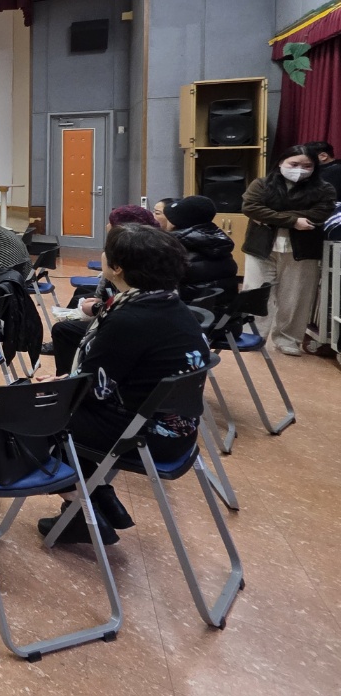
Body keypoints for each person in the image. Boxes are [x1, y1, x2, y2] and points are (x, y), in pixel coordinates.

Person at [36, 224, 207, 545]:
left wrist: (58, 388)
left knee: (29, 418)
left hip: (145, 437)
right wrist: (68, 382)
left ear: (117, 268)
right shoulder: (170, 305)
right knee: (52, 405)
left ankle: (83, 507)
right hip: (176, 430)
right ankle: (99, 496)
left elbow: (95, 390)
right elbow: (113, 376)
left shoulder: (130, 318)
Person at [241, 145, 337, 355]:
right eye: (294, 164)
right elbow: (251, 208)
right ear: (281, 163)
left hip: (302, 250)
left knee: (296, 297)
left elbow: (320, 213)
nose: (300, 169)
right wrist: (294, 220)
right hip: (261, 247)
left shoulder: (324, 189)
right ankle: (252, 335)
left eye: (307, 166)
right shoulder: (261, 184)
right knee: (255, 292)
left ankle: (288, 339)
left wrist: (270, 216)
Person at [48, 205, 159, 373]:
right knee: (80, 296)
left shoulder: (122, 320)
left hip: (126, 383)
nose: (107, 226)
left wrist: (97, 308)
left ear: (117, 267)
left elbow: (97, 377)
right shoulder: (157, 292)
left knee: (63, 330)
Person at [159, 196, 238, 306]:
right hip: (221, 310)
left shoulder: (174, 249)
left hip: (189, 311)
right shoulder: (219, 242)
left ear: (176, 222)